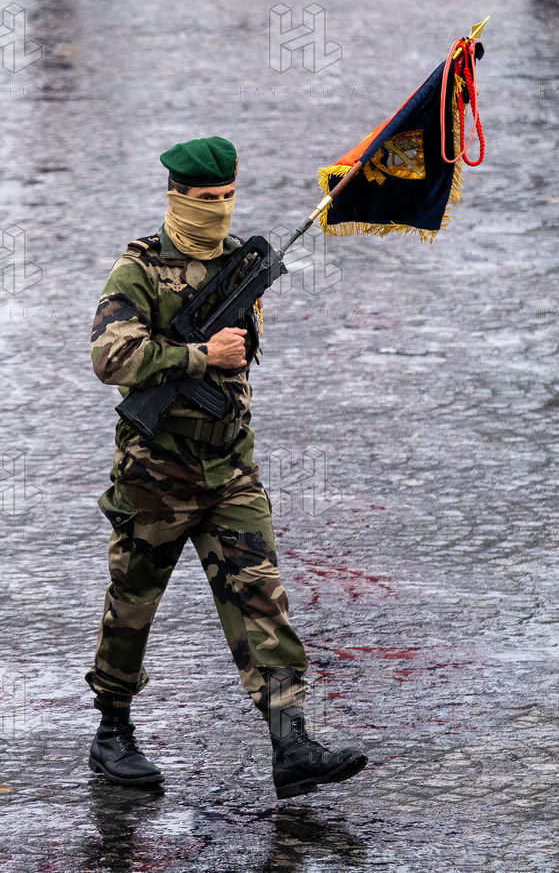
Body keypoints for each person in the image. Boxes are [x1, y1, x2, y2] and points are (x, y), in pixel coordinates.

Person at [85, 136, 367, 797]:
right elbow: (109, 357)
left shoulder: (239, 265)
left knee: (261, 597)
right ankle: (112, 730)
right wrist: (198, 355)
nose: (217, 208)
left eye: (227, 196)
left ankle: (291, 742)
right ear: (177, 196)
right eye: (205, 198)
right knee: (133, 602)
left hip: (230, 466)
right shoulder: (139, 270)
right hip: (156, 472)